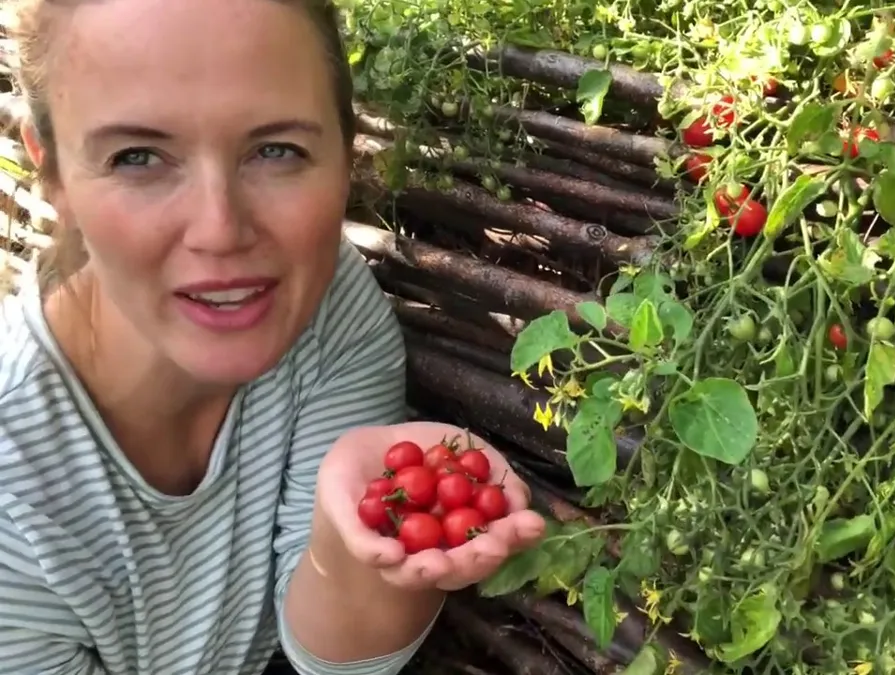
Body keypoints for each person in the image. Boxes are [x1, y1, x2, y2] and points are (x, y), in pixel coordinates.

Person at [0, 0, 548, 673]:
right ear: (53, 173)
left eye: (276, 150)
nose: (219, 230)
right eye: (137, 157)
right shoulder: (11, 497)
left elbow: (331, 659)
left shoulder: (329, 308)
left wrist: (359, 536)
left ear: (346, 154)